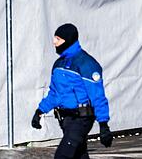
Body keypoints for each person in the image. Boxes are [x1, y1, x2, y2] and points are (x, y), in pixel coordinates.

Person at [31, 23, 113, 159]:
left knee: (63, 155)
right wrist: (40, 111)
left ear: (68, 40)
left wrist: (103, 124)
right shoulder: (58, 64)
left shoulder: (86, 63)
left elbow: (97, 95)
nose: (54, 42)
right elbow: (54, 93)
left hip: (81, 119)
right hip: (66, 119)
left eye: (58, 39)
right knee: (79, 155)